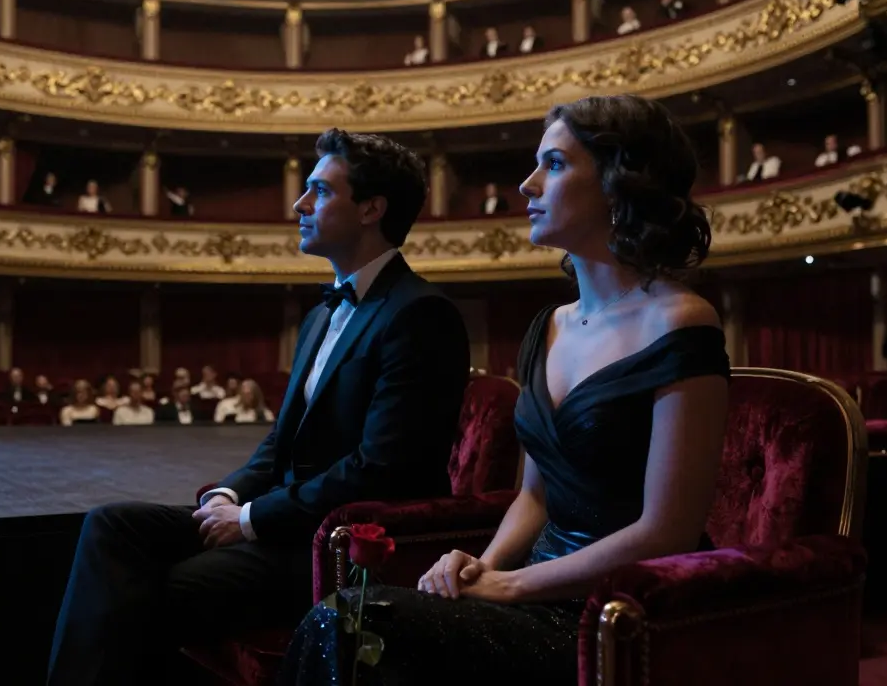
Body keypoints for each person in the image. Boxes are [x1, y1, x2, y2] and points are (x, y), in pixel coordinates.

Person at [278, 95, 731, 685]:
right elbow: (534, 500)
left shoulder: (682, 321)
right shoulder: (550, 326)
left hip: (622, 611)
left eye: (556, 165)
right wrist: (480, 567)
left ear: (621, 185)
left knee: (346, 623)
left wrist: (508, 585)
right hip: (534, 589)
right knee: (354, 622)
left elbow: (665, 531)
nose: (527, 184)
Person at [47, 127, 472, 685]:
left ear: (371, 208)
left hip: (334, 541)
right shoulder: (322, 314)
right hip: (284, 517)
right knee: (112, 527)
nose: (299, 204)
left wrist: (249, 520)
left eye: (319, 191)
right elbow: (283, 440)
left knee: (161, 586)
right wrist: (230, 493)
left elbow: (379, 467)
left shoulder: (421, 314)